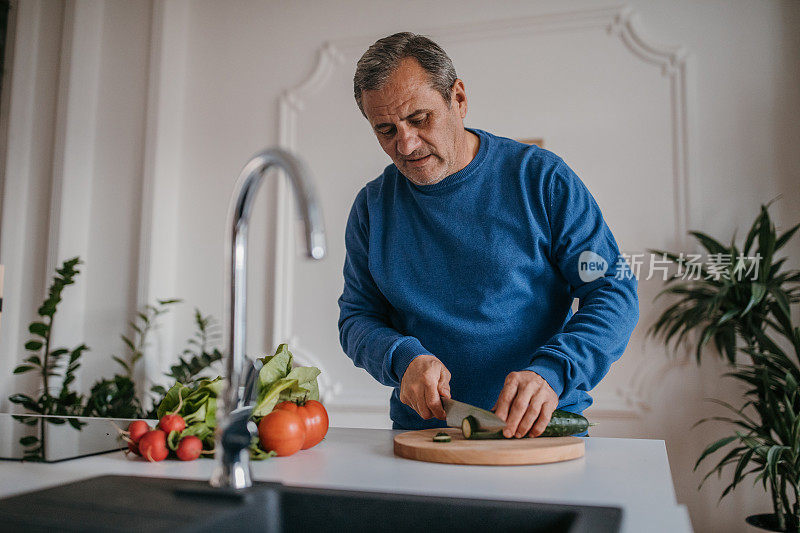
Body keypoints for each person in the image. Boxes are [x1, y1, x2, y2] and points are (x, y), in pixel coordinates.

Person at [337, 32, 638, 438]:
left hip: (539, 432)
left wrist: (553, 371)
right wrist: (401, 358)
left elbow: (612, 289)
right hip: (427, 433)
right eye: (386, 130)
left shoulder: (542, 179)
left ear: (458, 98)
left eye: (419, 119)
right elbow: (357, 318)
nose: (405, 144)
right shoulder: (372, 207)